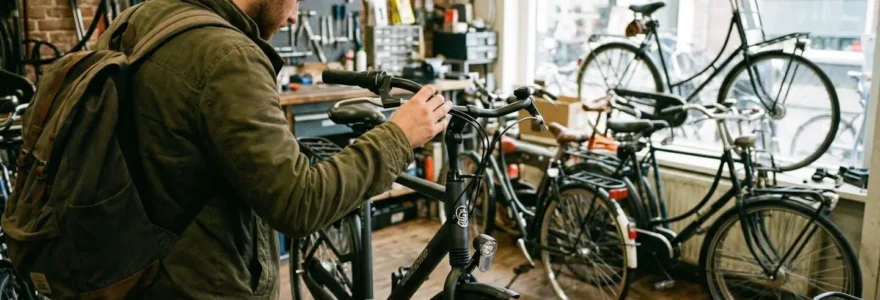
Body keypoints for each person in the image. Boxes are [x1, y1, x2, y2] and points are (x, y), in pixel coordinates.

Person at [106, 0, 452, 298]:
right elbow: (299, 203)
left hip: (129, 274)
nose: (294, 18)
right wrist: (399, 136)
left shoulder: (138, 22)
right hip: (202, 285)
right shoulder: (228, 56)